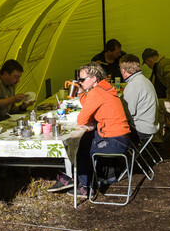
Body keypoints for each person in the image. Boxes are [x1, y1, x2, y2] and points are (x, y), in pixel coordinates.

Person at [48, 63, 130, 197]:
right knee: (85, 140)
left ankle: (86, 187)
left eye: (82, 79)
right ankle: (79, 179)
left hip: (114, 141)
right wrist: (81, 93)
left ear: (94, 78)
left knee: (80, 148)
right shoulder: (104, 88)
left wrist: (89, 119)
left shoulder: (96, 92)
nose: (80, 82)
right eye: (79, 79)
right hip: (121, 137)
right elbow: (90, 106)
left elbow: (82, 119)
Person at [118, 54, 160, 142]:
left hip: (141, 130)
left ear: (123, 71)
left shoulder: (133, 85)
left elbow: (127, 114)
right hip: (151, 126)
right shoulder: (144, 80)